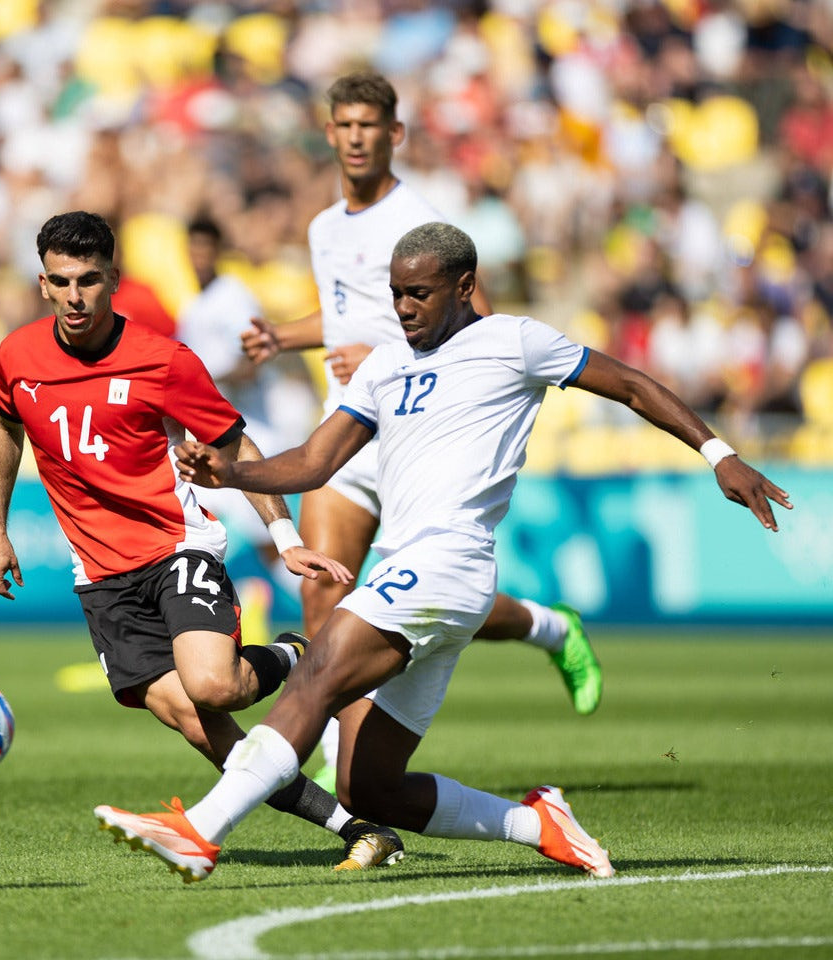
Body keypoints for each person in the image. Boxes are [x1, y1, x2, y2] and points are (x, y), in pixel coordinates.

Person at [94, 221, 792, 883]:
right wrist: (234, 473)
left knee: (316, 673)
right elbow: (313, 460)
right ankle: (537, 824)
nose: (401, 306)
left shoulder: (515, 341)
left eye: (418, 292)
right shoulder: (385, 366)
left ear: (463, 286)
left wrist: (719, 454)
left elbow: (634, 386)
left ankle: (202, 832)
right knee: (371, 786)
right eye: (395, 292)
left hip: (447, 564)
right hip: (416, 575)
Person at [0, 210, 406, 871]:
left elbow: (236, 446)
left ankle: (299, 658)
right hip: (99, 577)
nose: (75, 296)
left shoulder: (163, 361)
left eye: (89, 280)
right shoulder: (18, 356)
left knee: (213, 685)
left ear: (113, 280)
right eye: (61, 281)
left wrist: (283, 533)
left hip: (177, 547)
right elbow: (7, 429)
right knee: (204, 728)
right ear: (42, 284)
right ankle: (355, 828)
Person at [239, 73, 602, 791]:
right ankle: (345, 775)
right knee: (324, 599)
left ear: (393, 133)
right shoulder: (322, 227)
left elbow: (480, 328)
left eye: (368, 124)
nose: (354, 137)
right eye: (342, 124)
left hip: (417, 433)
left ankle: (547, 627)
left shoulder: (420, 218)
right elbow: (342, 316)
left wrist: (379, 351)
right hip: (348, 428)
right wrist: (286, 336)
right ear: (329, 133)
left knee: (422, 599)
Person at [174, 216, 320, 645]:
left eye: (205, 250)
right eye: (193, 249)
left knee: (273, 548)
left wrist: (206, 384)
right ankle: (235, 611)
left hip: (247, 436)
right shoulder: (192, 306)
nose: (198, 258)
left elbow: (254, 358)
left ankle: (323, 611)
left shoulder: (233, 297)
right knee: (208, 530)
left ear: (218, 252)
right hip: (212, 438)